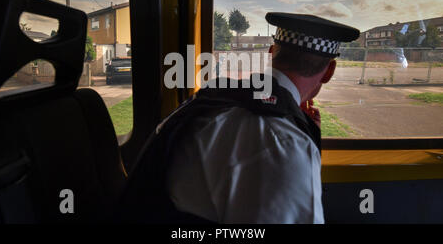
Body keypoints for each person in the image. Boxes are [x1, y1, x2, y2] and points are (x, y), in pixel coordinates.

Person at [116, 13, 360, 224]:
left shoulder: (213, 97)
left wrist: (300, 124)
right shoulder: (287, 143)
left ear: (271, 52)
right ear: (329, 71)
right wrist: (298, 131)